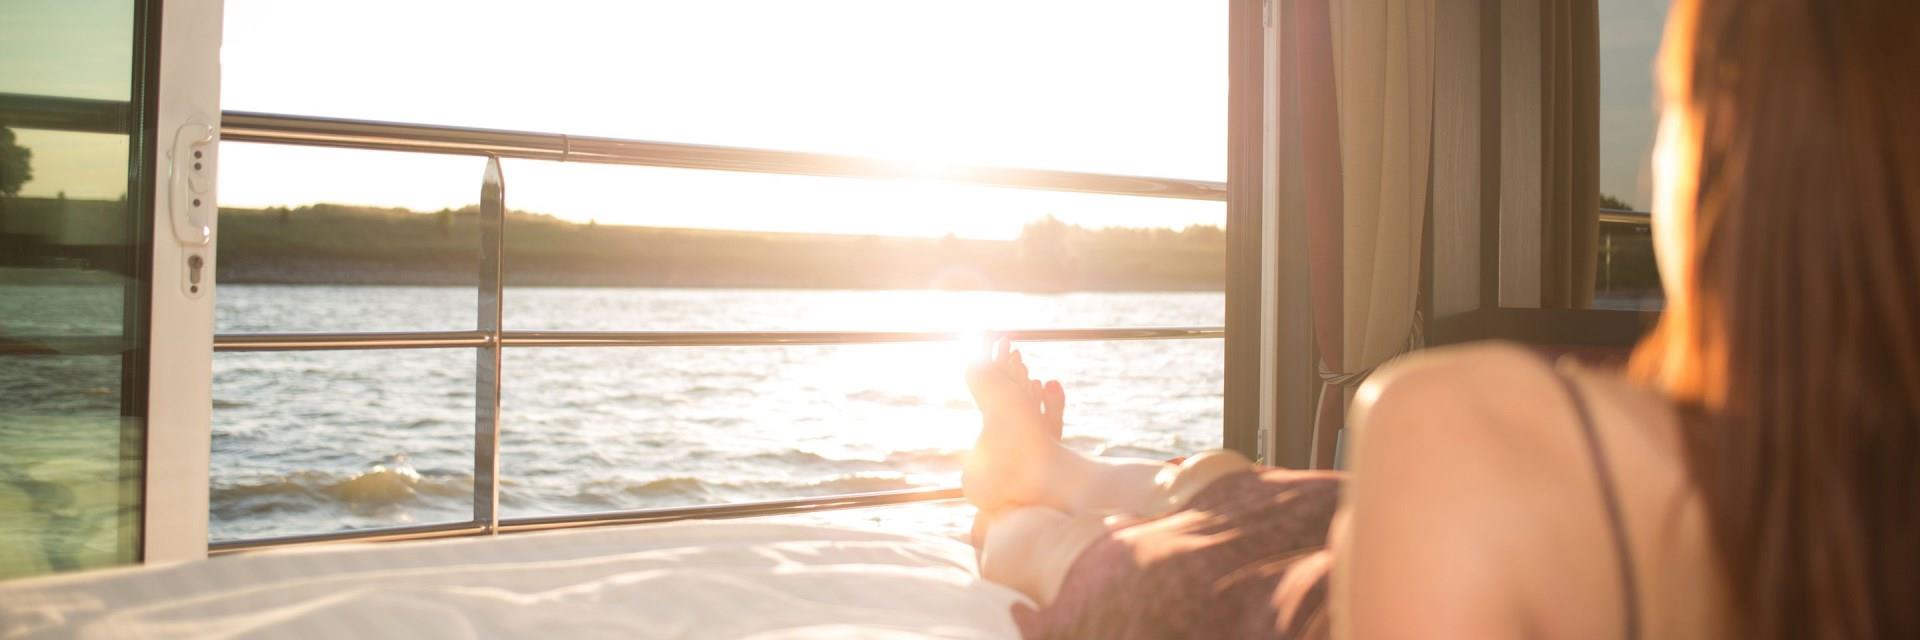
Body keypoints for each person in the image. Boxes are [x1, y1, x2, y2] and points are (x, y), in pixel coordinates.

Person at [961, 0, 1919, 637]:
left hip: (1301, 612)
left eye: (1669, 111)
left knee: (1073, 552)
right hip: (1411, 549)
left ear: (1726, 143)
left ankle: (1020, 496)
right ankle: (1056, 465)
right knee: (1237, 487)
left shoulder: (1460, 423)